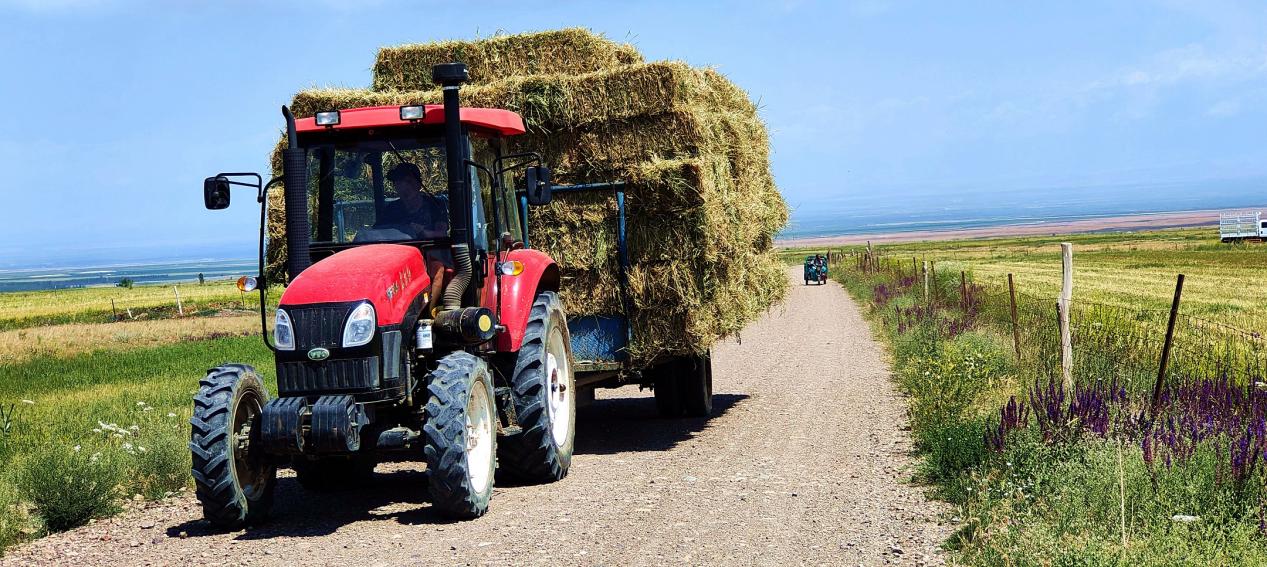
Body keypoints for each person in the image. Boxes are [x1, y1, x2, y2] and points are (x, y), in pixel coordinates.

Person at [383, 162, 452, 315]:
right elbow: (380, 233)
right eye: (398, 183)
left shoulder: (435, 204)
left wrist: (423, 231)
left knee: (437, 266)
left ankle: (428, 313)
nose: (403, 187)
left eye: (407, 182)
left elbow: (441, 234)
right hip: (398, 255)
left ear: (418, 184)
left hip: (429, 251)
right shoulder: (391, 209)